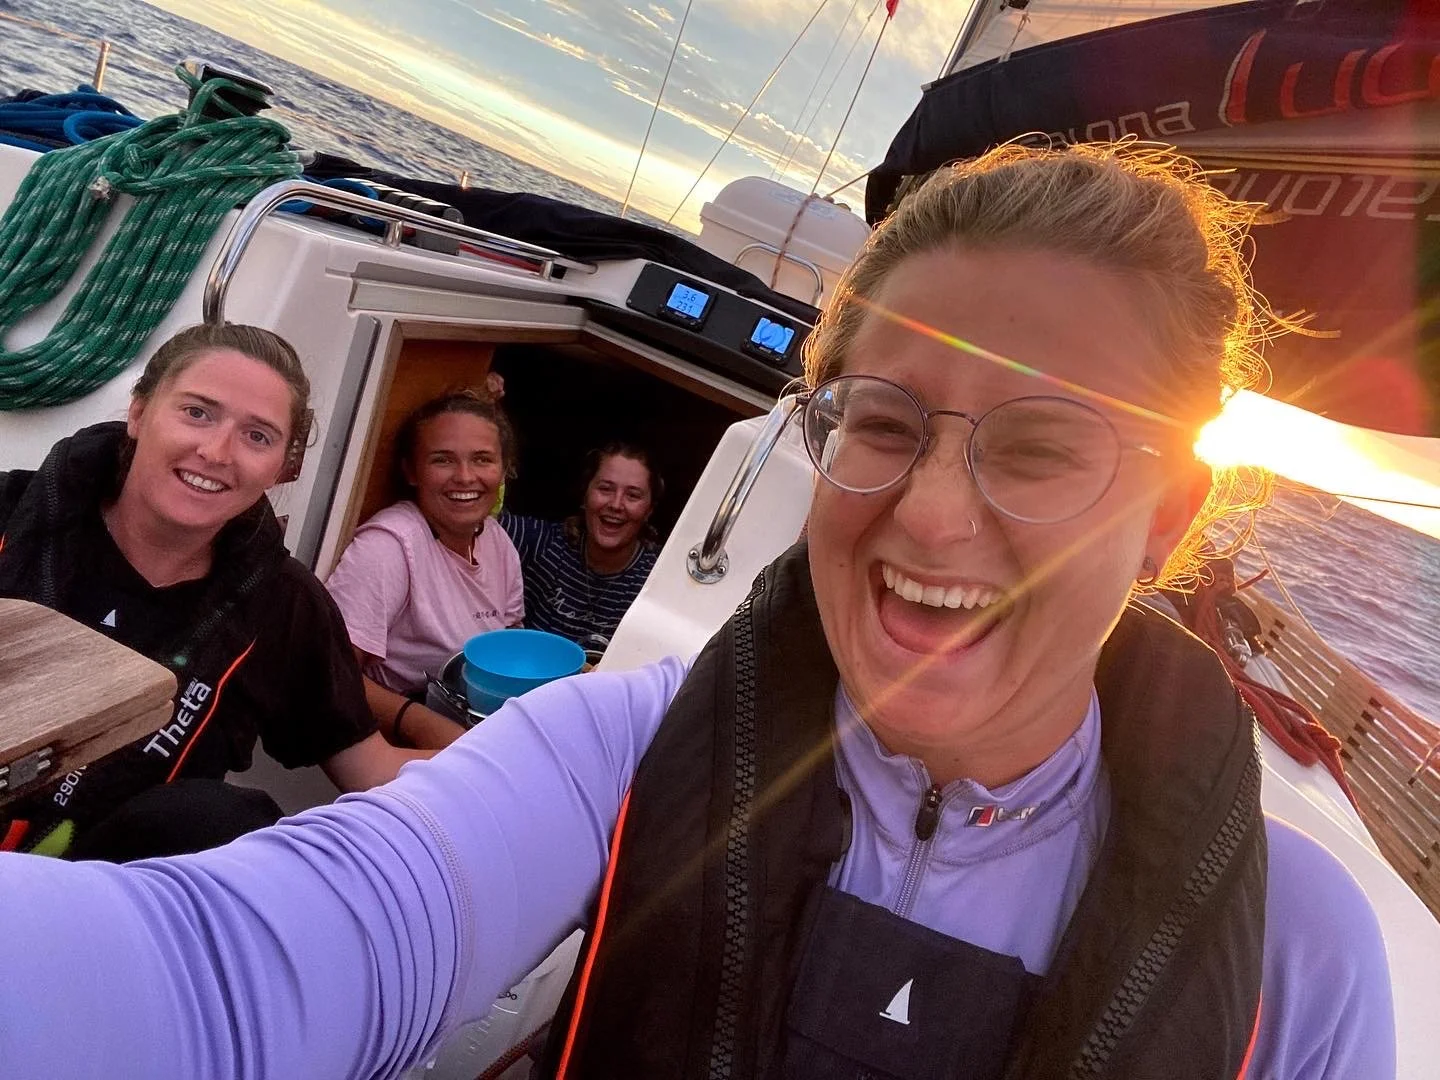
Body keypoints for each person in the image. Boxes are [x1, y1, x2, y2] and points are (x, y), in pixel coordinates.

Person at [0, 143, 1394, 1079]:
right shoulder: (618, 746)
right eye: (882, 422)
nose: (929, 516)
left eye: (1041, 449)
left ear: (1164, 516)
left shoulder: (1298, 951)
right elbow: (235, 971)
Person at [0, 324, 427, 861]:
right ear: (138, 413)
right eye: (197, 412)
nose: (217, 451)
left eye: (258, 436)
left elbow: (370, 769)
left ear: (282, 467)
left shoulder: (283, 605)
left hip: (108, 893)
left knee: (216, 818)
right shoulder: (10, 515)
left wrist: (515, 750)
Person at [326, 391, 524, 747]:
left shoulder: (497, 541)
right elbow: (327, 673)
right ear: (411, 471)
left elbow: (510, 637)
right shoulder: (390, 547)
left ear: (503, 469)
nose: (465, 476)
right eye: (443, 460)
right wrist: (418, 723)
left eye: (482, 459)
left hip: (475, 731)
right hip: (396, 742)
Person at [498, 442, 662, 648]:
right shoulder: (542, 543)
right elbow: (479, 520)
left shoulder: (658, 580)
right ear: (585, 495)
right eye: (605, 489)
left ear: (649, 510)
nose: (616, 504)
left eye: (633, 495)